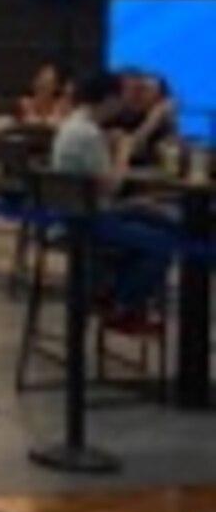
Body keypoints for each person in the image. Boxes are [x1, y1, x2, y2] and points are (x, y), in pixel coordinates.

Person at [52, 69, 173, 323]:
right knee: (162, 242)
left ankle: (108, 289)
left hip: (71, 216)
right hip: (88, 221)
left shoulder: (72, 126)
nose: (122, 105)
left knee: (153, 214)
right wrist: (123, 151)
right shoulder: (89, 134)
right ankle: (123, 303)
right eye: (119, 98)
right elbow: (112, 187)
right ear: (107, 100)